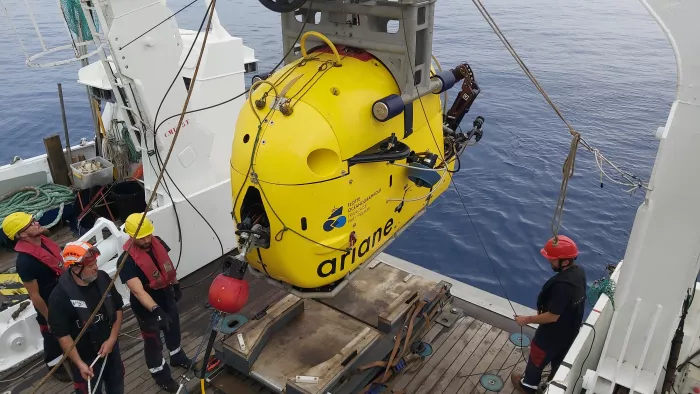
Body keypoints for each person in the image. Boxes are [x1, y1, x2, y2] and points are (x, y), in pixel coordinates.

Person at [118, 213, 192, 392]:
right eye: (141, 237)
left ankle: (177, 356)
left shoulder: (157, 241)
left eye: (148, 234)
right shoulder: (126, 261)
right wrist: (156, 310)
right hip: (146, 306)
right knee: (153, 343)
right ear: (131, 235)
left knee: (173, 328)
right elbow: (138, 291)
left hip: (166, 295)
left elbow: (167, 265)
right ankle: (161, 376)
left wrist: (175, 285)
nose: (146, 239)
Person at [511, 235, 587, 394]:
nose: (549, 262)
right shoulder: (579, 273)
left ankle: (527, 387)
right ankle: (552, 385)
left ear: (565, 262)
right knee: (560, 362)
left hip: (551, 335)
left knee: (536, 360)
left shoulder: (562, 286)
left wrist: (526, 320)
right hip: (570, 332)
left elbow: (553, 316)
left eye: (552, 259)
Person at [2, 212, 71, 382]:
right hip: (48, 303)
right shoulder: (25, 262)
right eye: (31, 223)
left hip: (63, 294)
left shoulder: (45, 244)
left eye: (33, 220)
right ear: (22, 234)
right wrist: (49, 317)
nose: (37, 223)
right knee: (52, 337)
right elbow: (34, 294)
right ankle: (55, 365)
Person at [48, 241, 125, 394]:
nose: (96, 268)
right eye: (90, 266)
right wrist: (79, 363)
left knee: (116, 385)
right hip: (85, 358)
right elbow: (63, 335)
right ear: (76, 268)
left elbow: (117, 309)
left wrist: (112, 339)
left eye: (95, 263)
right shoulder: (59, 297)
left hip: (110, 349)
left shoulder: (103, 278)